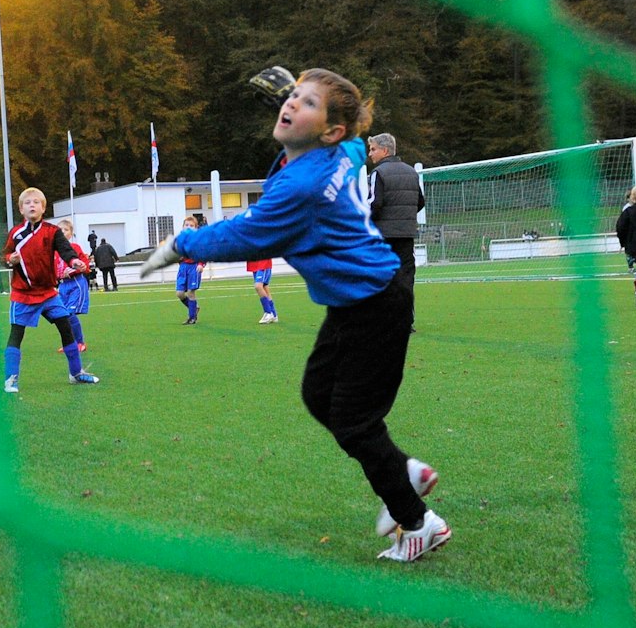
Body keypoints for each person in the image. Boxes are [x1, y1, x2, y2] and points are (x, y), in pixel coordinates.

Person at [142, 68, 445, 563]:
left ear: (329, 131)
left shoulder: (303, 185)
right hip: (355, 302)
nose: (290, 105)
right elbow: (349, 139)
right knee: (318, 395)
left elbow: (247, 234)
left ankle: (417, 520)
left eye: (306, 104)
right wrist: (300, 102)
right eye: (294, 96)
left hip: (376, 304)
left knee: (353, 421)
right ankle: (402, 472)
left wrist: (180, 244)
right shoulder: (340, 151)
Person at [1, 188, 96, 392]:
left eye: (36, 202)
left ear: (43, 208)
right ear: (21, 208)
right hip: (23, 294)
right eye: (28, 202)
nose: (32, 205)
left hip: (48, 293)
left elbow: (65, 250)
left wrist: (74, 260)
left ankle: (76, 373)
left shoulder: (52, 232)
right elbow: (5, 254)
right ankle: (10, 379)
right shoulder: (16, 233)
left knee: (66, 327)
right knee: (16, 333)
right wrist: (11, 259)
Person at [367, 132, 424, 295]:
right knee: (405, 277)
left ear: (384, 151)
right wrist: (403, 217)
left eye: (373, 149)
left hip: (384, 235)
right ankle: (405, 318)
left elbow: (374, 204)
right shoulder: (411, 172)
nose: (370, 154)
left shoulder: (378, 173)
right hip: (406, 234)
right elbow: (420, 201)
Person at [54, 220, 91, 352]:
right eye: (60, 230)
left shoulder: (75, 247)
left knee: (69, 313)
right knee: (61, 316)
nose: (63, 232)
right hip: (63, 287)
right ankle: (69, 344)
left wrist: (74, 270)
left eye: (66, 230)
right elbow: (53, 270)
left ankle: (80, 343)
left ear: (71, 233)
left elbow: (85, 264)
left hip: (76, 283)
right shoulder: (54, 252)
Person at [174, 216, 203, 324]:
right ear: (183, 227)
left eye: (191, 225)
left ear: (196, 228)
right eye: (187, 225)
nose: (189, 227)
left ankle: (192, 317)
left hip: (193, 267)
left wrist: (200, 264)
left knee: (191, 292)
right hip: (183, 268)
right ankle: (194, 307)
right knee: (179, 293)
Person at [248, 259, 278, 323]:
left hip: (262, 263)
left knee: (258, 286)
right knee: (264, 287)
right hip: (254, 263)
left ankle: (268, 312)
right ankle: (273, 314)